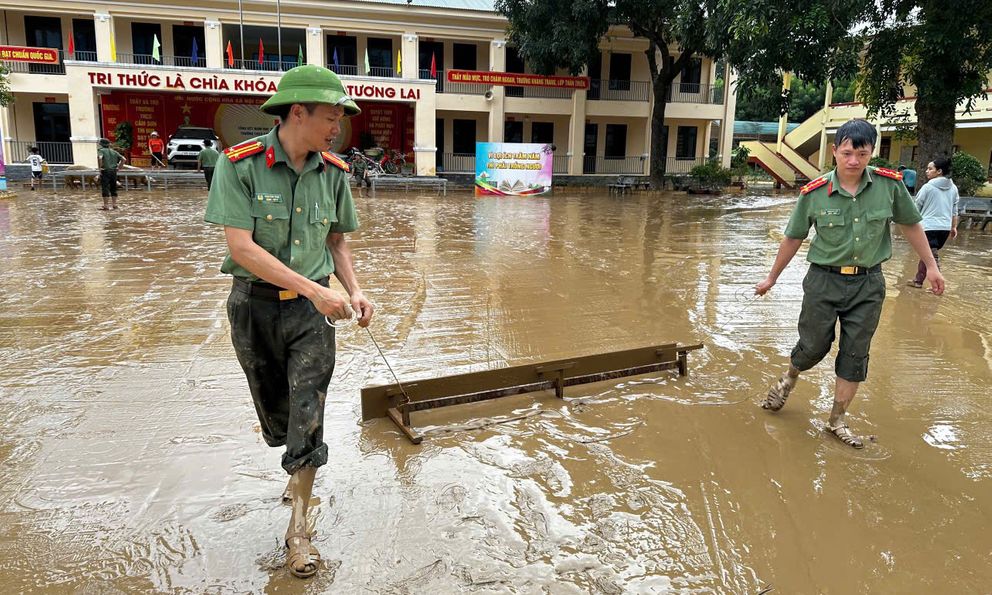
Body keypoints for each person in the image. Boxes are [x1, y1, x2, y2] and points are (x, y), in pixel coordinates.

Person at [203, 65, 373, 580]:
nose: (338, 125)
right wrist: (317, 290)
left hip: (310, 315)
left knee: (308, 410)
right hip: (253, 307)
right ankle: (293, 461)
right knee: (276, 413)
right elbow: (240, 247)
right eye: (330, 115)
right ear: (296, 112)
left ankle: (298, 530)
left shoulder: (334, 172)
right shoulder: (241, 166)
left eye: (341, 116)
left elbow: (336, 241)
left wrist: (354, 290)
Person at [755, 119, 945, 449]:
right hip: (823, 282)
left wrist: (930, 266)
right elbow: (793, 238)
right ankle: (791, 376)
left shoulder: (890, 186)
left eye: (862, 152)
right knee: (813, 346)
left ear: (872, 152)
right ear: (834, 152)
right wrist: (772, 277)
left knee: (855, 355)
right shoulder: (813, 194)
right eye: (847, 153)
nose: (854, 160)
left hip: (868, 284)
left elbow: (911, 225)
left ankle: (836, 420)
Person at [907, 157, 959, 288]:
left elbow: (916, 207)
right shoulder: (953, 188)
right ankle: (918, 281)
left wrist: (910, 223)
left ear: (939, 171)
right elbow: (955, 210)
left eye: (930, 169)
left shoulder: (927, 187)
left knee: (931, 258)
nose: (927, 171)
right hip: (945, 229)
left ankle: (938, 285)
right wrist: (953, 227)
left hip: (929, 227)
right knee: (928, 254)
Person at [97, 138, 126, 210]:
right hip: (114, 172)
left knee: (105, 187)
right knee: (113, 187)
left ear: (101, 144)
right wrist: (119, 167)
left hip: (105, 171)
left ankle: (106, 205)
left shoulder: (101, 151)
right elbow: (124, 159)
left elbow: (100, 158)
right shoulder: (114, 151)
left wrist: (100, 168)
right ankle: (114, 204)